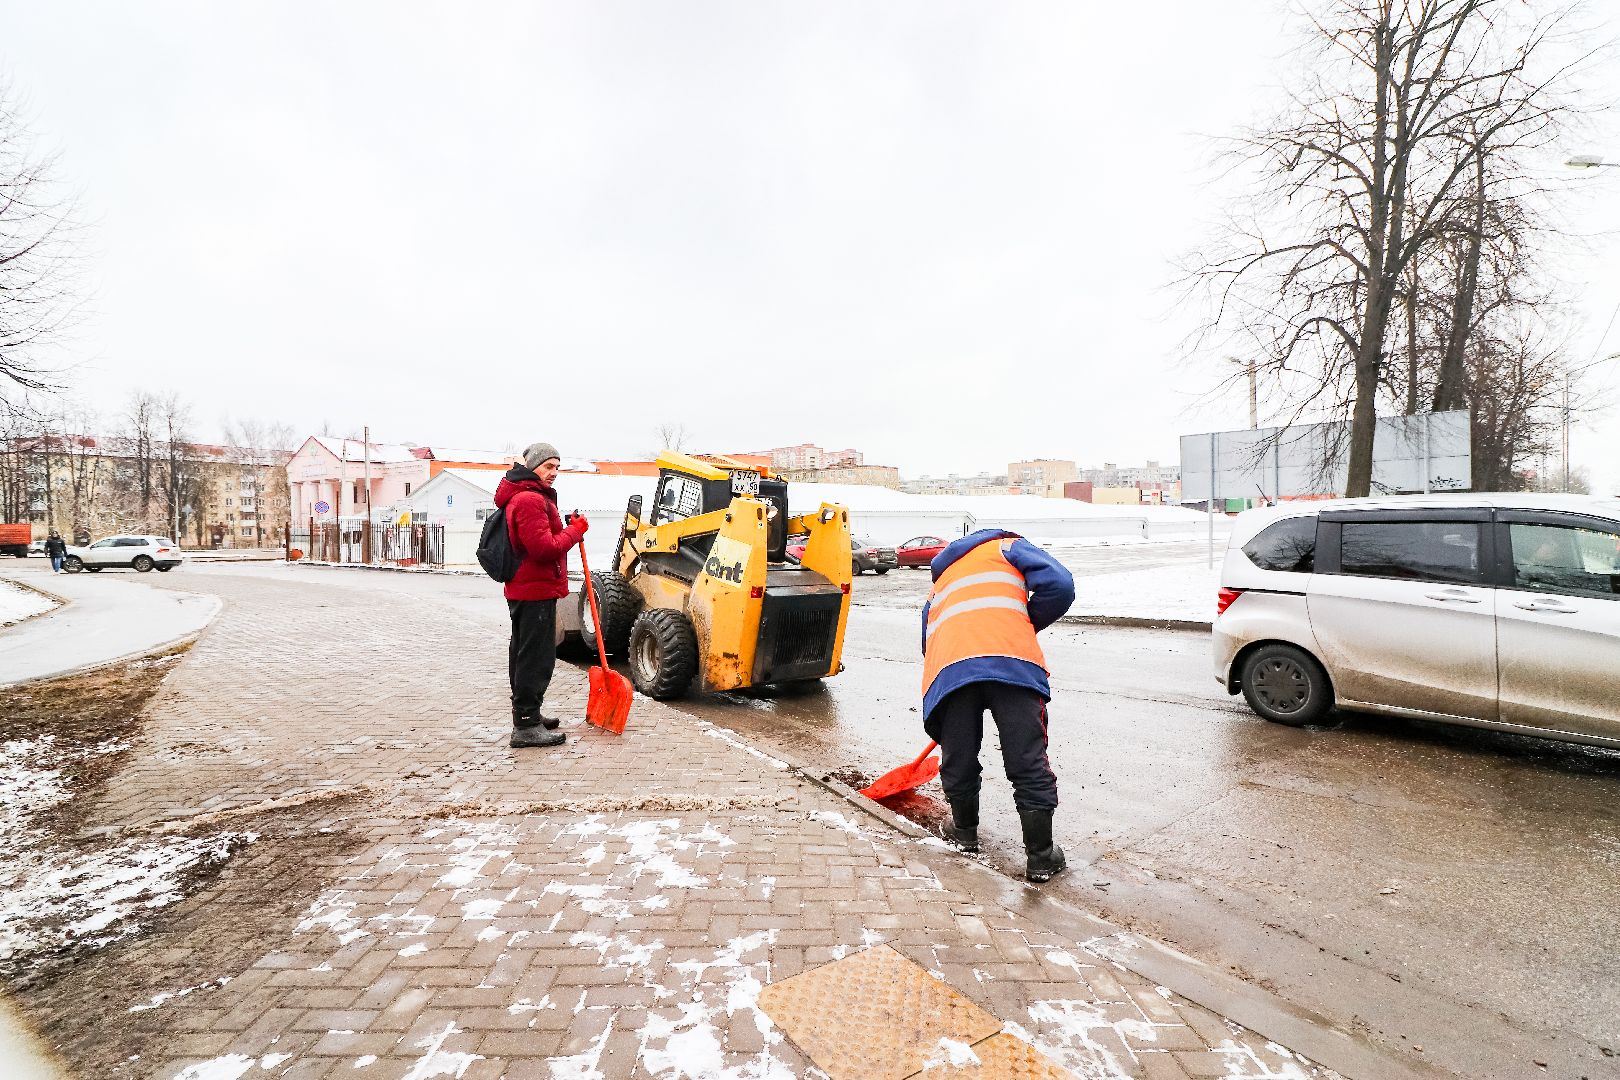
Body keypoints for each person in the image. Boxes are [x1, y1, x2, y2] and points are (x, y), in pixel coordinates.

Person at [921, 528, 1075, 882]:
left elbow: (927, 640)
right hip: (1010, 660)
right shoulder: (1006, 547)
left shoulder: (939, 584)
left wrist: (954, 675)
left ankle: (963, 834)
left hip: (951, 671)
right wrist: (1022, 623)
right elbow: (1060, 585)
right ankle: (1040, 857)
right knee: (1026, 757)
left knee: (957, 754)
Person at [495, 442, 588, 749]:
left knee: (525, 653)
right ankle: (526, 727)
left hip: (529, 588)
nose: (554, 473)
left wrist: (565, 528)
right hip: (533, 589)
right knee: (535, 657)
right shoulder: (530, 500)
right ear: (532, 467)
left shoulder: (526, 497)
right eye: (549, 466)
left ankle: (529, 714)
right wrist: (576, 532)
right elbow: (543, 548)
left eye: (557, 467)